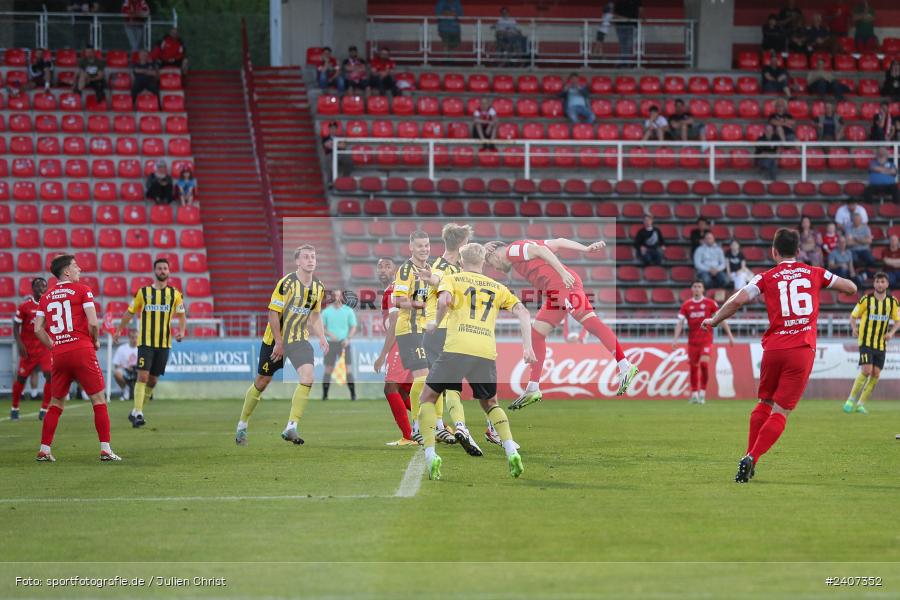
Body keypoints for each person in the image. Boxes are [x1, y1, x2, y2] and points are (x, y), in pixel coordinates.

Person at [701, 229, 857, 483]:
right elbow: (850, 287)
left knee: (764, 403)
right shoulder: (815, 272)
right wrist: (828, 285)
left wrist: (715, 319)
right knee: (781, 411)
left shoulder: (766, 277)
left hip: (774, 349)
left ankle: (748, 457)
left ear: (774, 252)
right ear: (798, 251)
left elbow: (738, 300)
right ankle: (752, 456)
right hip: (801, 350)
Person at [417, 243, 534, 480]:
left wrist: (435, 323)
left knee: (427, 398)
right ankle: (510, 448)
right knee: (490, 403)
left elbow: (443, 301)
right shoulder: (498, 286)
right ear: (483, 263)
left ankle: (431, 456)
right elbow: (523, 312)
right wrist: (527, 347)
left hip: (457, 347)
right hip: (485, 350)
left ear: (460, 261)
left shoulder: (454, 278)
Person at [484, 237, 639, 408]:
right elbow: (558, 241)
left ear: (494, 254)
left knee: (590, 322)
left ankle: (625, 365)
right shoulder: (520, 250)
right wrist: (586, 249)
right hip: (555, 293)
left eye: (491, 263)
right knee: (536, 334)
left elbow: (542, 251)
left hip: (564, 285)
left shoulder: (512, 251)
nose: (496, 268)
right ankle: (533, 387)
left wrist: (563, 272)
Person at [234, 246, 328, 446]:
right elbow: (272, 313)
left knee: (308, 377)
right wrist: (278, 341)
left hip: (300, 340)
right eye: (306, 257)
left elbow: (315, 314)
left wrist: (321, 336)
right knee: (261, 383)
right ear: (298, 262)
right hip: (275, 341)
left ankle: (291, 426)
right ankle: (242, 426)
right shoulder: (286, 283)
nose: (311, 260)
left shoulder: (319, 287)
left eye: (313, 257)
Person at [34, 255, 122, 462]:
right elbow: (92, 322)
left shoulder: (45, 297)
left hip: (60, 353)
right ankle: (105, 449)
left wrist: (54, 347)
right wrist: (96, 341)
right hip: (81, 349)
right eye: (75, 266)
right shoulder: (82, 290)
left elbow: (37, 328)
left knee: (55, 403)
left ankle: (44, 450)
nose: (79, 269)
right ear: (66, 271)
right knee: (98, 400)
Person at [416, 224, 475, 445]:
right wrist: (432, 279)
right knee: (450, 382)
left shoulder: (459, 268)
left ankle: (437, 425)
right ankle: (457, 425)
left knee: (438, 382)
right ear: (461, 244)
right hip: (440, 330)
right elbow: (436, 280)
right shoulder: (440, 266)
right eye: (466, 243)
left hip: (449, 331)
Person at [116, 258, 187, 428]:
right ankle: (139, 412)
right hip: (146, 342)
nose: (162, 271)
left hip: (164, 344)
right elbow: (130, 311)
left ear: (169, 272)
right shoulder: (143, 292)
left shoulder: (175, 294)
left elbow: (182, 315)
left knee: (153, 381)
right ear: (154, 271)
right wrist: (119, 330)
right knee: (143, 376)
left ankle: (135, 411)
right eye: (159, 268)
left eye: (165, 268)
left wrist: (182, 331)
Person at [391, 231, 435, 443]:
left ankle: (433, 423)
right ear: (411, 247)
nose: (424, 249)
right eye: (420, 246)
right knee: (423, 376)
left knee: (431, 377)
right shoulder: (406, 270)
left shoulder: (429, 269)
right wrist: (419, 304)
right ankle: (419, 425)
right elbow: (397, 300)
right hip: (409, 328)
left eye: (427, 245)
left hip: (425, 329)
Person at [372, 257, 416, 446]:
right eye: (379, 267)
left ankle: (409, 436)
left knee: (390, 387)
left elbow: (395, 323)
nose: (382, 270)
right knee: (405, 391)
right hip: (412, 340)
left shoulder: (393, 291)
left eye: (387, 266)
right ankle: (440, 427)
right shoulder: (396, 289)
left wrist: (383, 355)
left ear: (395, 270)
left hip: (401, 342)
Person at [672, 280, 735, 405]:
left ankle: (702, 393)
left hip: (706, 340)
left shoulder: (710, 303)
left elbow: (720, 318)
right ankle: (695, 394)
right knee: (693, 367)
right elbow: (680, 323)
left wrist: (730, 335)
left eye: (699, 286)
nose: (696, 288)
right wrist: (675, 339)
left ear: (703, 289)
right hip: (692, 342)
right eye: (694, 286)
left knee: (704, 365)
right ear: (691, 289)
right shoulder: (686, 305)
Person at [845, 272, 899, 414]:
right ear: (874, 284)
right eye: (877, 281)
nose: (880, 284)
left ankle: (860, 404)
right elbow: (853, 316)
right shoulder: (866, 300)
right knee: (866, 370)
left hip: (881, 344)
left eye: (882, 282)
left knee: (875, 374)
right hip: (866, 341)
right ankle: (851, 399)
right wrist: (854, 328)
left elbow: (898, 320)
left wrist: (891, 333)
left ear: (887, 284)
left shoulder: (892, 302)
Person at [11, 278, 52, 421]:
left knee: (50, 377)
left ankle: (44, 409)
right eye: (38, 285)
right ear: (32, 288)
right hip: (28, 350)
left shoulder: (50, 306)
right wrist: (19, 344)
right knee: (21, 379)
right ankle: (15, 408)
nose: (42, 288)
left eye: (44, 286)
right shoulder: (24, 306)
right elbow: (16, 327)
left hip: (45, 349)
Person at [320, 290, 358, 402]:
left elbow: (353, 327)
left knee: (348, 370)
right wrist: (329, 334)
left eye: (338, 295)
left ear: (341, 297)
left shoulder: (348, 311)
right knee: (328, 369)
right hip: (330, 344)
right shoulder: (326, 312)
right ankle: (325, 396)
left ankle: (353, 395)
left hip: (344, 343)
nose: (336, 298)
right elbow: (321, 327)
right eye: (334, 296)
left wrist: (348, 338)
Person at [112, 329, 139, 401]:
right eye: (133, 337)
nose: (135, 339)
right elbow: (116, 365)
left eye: (136, 337)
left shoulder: (142, 349)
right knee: (116, 373)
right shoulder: (122, 348)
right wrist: (126, 367)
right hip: (126, 371)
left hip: (139, 371)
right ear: (129, 337)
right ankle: (126, 390)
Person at [614, 0, 641, 65]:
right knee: (624, 45)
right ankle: (624, 62)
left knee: (627, 45)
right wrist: (625, 19)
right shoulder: (619, 2)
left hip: (631, 26)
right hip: (621, 26)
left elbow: (641, 11)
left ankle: (623, 62)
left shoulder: (636, 2)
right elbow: (614, 15)